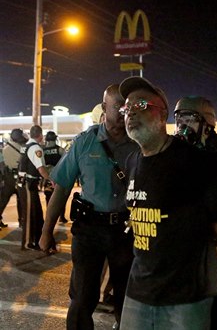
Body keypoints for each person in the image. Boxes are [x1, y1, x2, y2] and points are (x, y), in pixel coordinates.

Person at [117, 76, 217, 330]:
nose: (131, 113)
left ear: (163, 115)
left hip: (185, 295)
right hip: (139, 288)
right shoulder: (132, 161)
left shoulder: (197, 162)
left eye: (142, 106)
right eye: (127, 108)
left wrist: (194, 248)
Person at [39, 84, 138, 330]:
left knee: (128, 299)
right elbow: (61, 188)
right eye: (119, 107)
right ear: (104, 108)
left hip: (127, 232)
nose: (125, 113)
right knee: (83, 298)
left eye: (129, 108)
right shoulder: (84, 143)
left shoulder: (139, 144)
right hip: (89, 231)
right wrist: (46, 231)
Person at [174, 95, 217, 330]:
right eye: (179, 118)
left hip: (214, 240)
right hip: (181, 239)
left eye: (189, 119)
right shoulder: (174, 149)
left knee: (214, 305)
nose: (182, 125)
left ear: (206, 122)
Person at [17, 125, 51, 250]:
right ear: (40, 135)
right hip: (28, 185)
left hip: (25, 184)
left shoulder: (26, 146)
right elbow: (41, 169)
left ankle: (35, 240)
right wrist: (50, 180)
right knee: (30, 214)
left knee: (35, 213)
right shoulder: (36, 148)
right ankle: (28, 243)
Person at [0, 128, 28, 228]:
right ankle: (22, 221)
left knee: (3, 200)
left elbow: (2, 165)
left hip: (8, 176)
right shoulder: (23, 148)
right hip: (20, 175)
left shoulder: (5, 148)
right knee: (21, 199)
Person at [42, 130, 67, 224]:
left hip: (48, 177)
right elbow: (66, 161)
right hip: (59, 177)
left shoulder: (42, 150)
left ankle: (49, 218)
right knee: (61, 197)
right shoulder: (59, 149)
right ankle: (62, 217)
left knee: (49, 198)